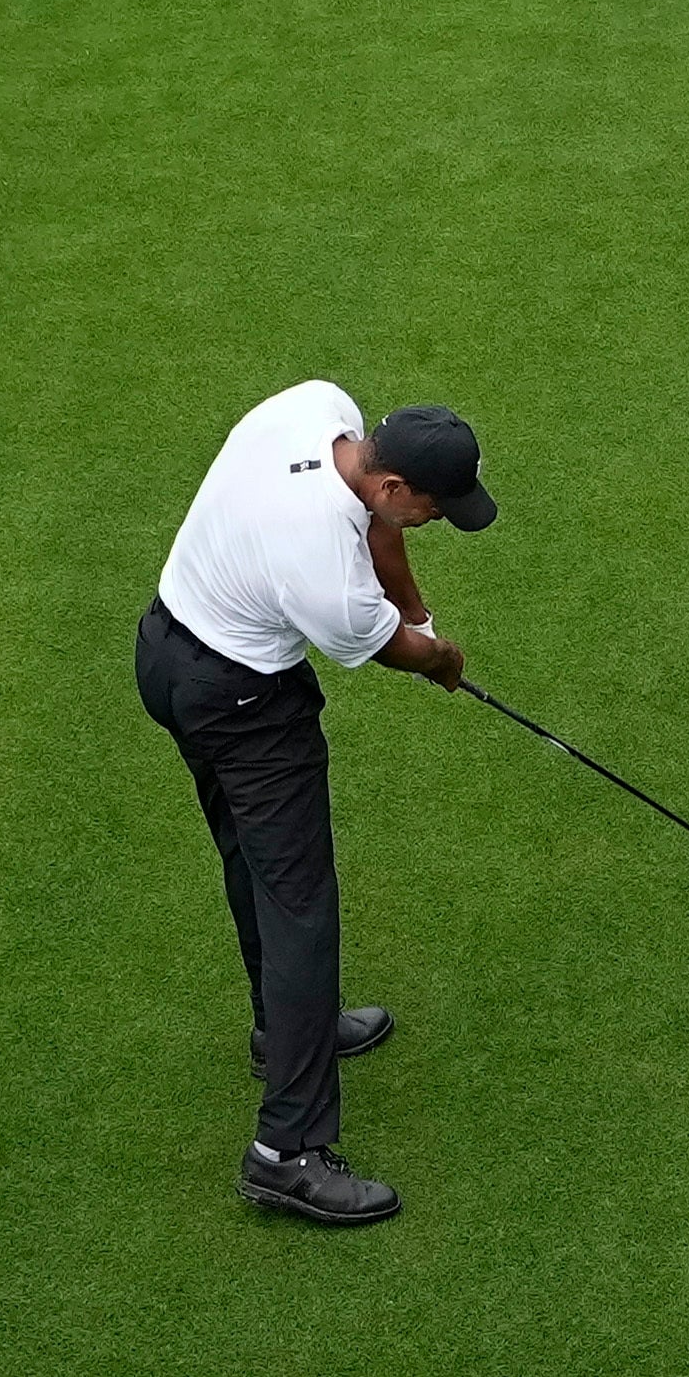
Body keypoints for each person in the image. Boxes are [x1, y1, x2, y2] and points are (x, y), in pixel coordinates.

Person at [135, 386, 492, 1232]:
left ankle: (280, 1030)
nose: (435, 519)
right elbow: (393, 647)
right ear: (394, 481)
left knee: (250, 861)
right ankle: (285, 1153)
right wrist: (439, 654)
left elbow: (382, 535)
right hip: (241, 701)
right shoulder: (325, 578)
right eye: (433, 508)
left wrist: (418, 610)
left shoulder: (315, 407)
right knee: (300, 908)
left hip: (165, 646)